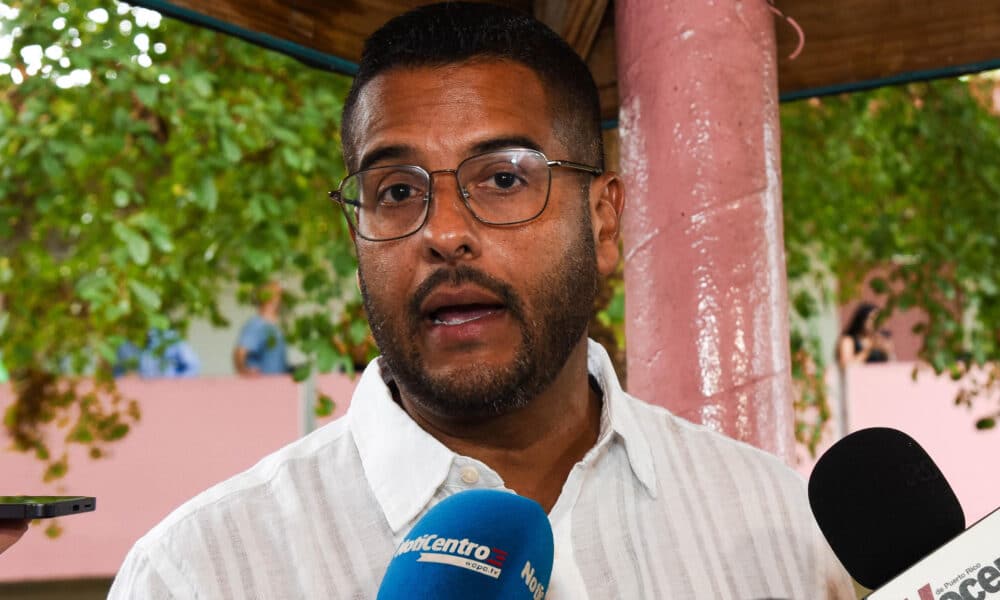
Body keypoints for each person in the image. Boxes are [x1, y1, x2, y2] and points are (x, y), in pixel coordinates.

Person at [109, 4, 853, 598]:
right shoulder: (196, 573)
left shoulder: (781, 527)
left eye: (502, 179)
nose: (445, 233)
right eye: (397, 192)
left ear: (601, 221)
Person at [232, 280, 289, 376]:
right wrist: (244, 372)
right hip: (263, 385)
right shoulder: (257, 324)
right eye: (277, 295)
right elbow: (240, 352)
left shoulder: (275, 326)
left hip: (277, 384)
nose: (280, 300)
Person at [114, 329, 201, 379]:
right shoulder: (123, 345)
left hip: (169, 395)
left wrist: (176, 385)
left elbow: (193, 366)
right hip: (140, 397)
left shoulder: (170, 338)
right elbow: (117, 374)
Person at [837, 302, 895, 366]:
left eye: (878, 319)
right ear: (862, 319)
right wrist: (868, 350)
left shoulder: (882, 339)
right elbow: (847, 365)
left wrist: (886, 351)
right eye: (871, 319)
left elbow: (892, 365)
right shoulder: (848, 340)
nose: (875, 322)